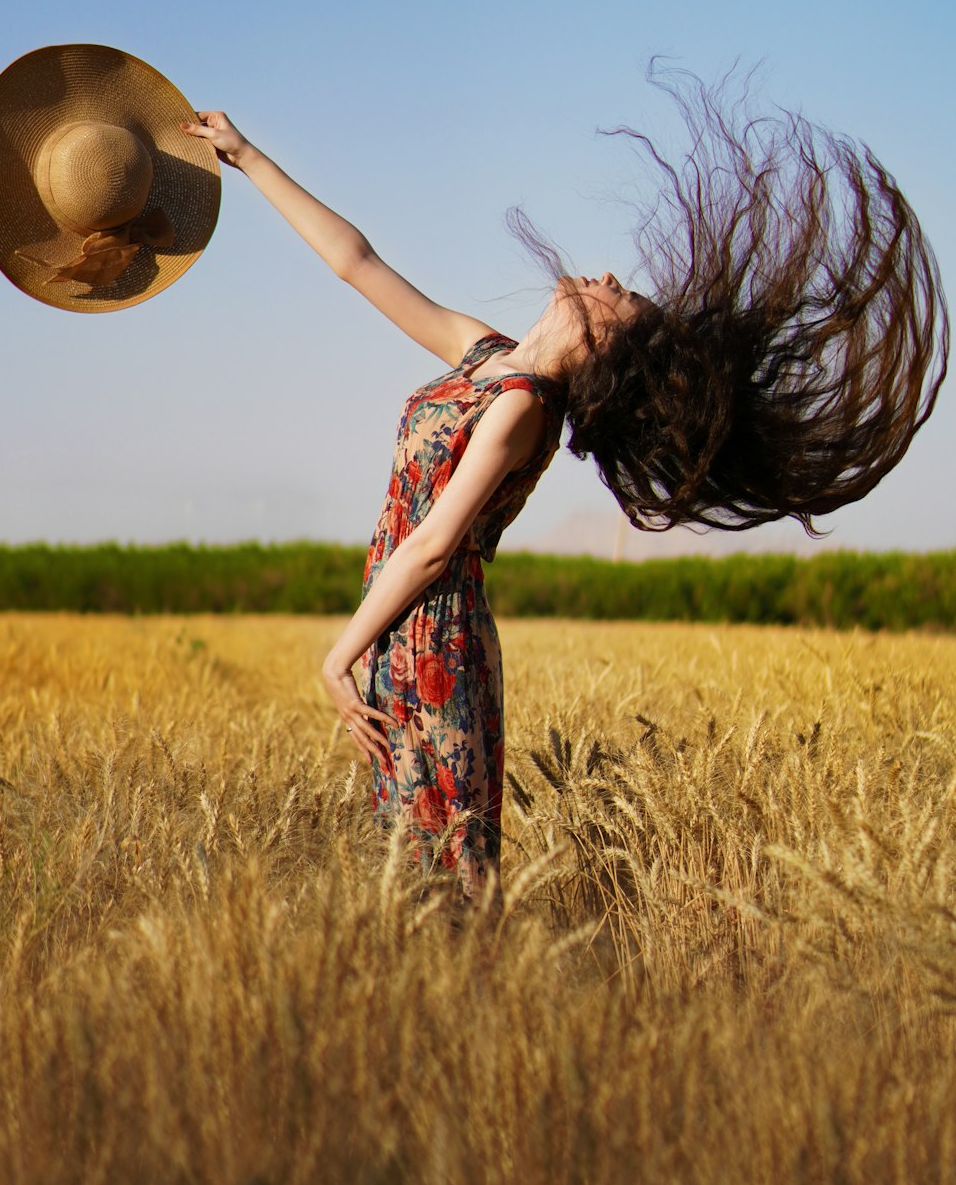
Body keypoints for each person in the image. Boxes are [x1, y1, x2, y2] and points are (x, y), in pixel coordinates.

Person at [182, 75, 948, 902]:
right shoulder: (489, 357)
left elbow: (435, 543)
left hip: (434, 635)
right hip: (399, 621)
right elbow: (358, 264)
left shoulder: (521, 409)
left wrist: (338, 655)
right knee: (408, 865)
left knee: (446, 878)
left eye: (622, 298)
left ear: (607, 351)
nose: (610, 277)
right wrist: (249, 157)